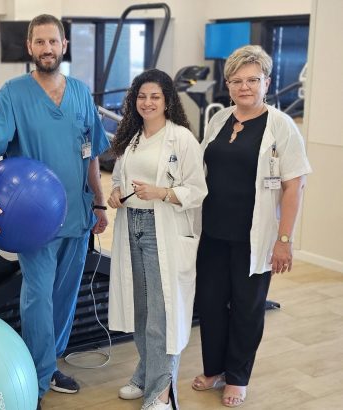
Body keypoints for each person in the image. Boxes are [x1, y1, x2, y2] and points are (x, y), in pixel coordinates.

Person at [0, 14, 109, 410]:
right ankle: (37, 375)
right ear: (30, 47)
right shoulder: (13, 93)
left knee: (65, 296)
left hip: (77, 214)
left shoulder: (80, 92)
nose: (47, 49)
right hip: (35, 221)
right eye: (40, 42)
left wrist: (99, 201)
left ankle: (50, 363)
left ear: (64, 45)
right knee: (38, 297)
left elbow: (91, 154)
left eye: (53, 41)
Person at [192, 45, 312, 408]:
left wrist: (284, 239)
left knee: (247, 307)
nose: (245, 87)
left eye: (253, 80)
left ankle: (238, 377)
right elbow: (199, 170)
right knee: (210, 304)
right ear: (228, 85)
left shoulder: (281, 126)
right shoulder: (219, 119)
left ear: (267, 83)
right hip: (212, 232)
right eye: (237, 81)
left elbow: (294, 186)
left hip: (252, 236)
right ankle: (214, 370)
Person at [106, 69, 207, 410]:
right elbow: (118, 179)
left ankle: (161, 392)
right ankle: (145, 372)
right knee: (141, 309)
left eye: (155, 97)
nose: (147, 103)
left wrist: (162, 192)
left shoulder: (181, 139)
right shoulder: (131, 138)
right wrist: (115, 195)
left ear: (167, 101)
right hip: (131, 226)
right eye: (142, 96)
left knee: (161, 314)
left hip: (161, 229)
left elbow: (197, 190)